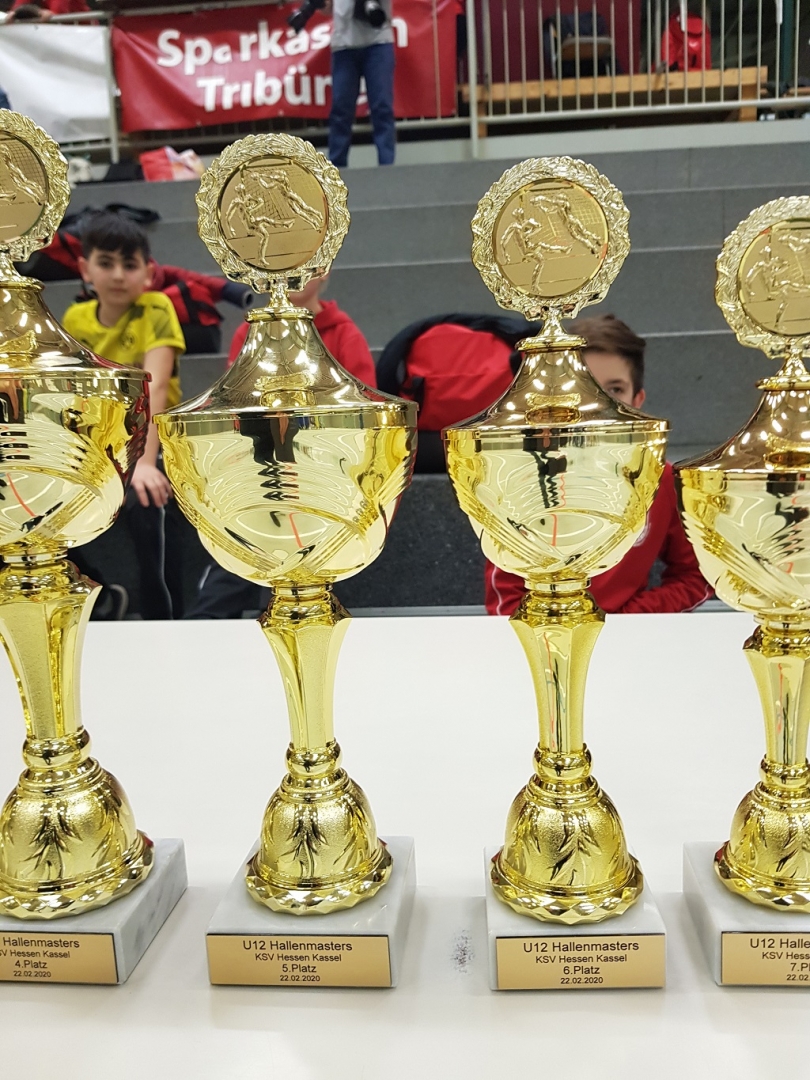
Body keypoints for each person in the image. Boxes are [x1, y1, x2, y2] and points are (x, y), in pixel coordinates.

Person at [485, 314, 712, 616]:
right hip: (544, 635)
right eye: (583, 388)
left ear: (637, 400)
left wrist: (631, 618)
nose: (600, 404)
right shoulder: (525, 478)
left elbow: (696, 575)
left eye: (615, 390)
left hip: (629, 635)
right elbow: (506, 599)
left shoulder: (661, 477)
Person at [187, 277, 376, 618]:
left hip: (323, 473)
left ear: (323, 272)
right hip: (260, 470)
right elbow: (234, 403)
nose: (289, 278)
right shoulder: (249, 333)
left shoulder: (344, 334)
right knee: (238, 553)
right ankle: (205, 626)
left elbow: (365, 415)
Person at [63, 211, 186, 618]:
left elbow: (156, 388)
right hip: (101, 445)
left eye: (129, 265)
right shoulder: (75, 320)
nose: (118, 275)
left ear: (148, 273)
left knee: (146, 499)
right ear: (85, 270)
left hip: (155, 441)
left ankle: (163, 616)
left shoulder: (156, 308)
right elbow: (75, 397)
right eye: (106, 263)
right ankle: (100, 596)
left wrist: (146, 464)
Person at [327, 0, 396, 168]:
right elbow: (328, 8)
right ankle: (336, 169)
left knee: (382, 107)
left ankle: (388, 167)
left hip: (378, 40)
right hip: (343, 44)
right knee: (341, 110)